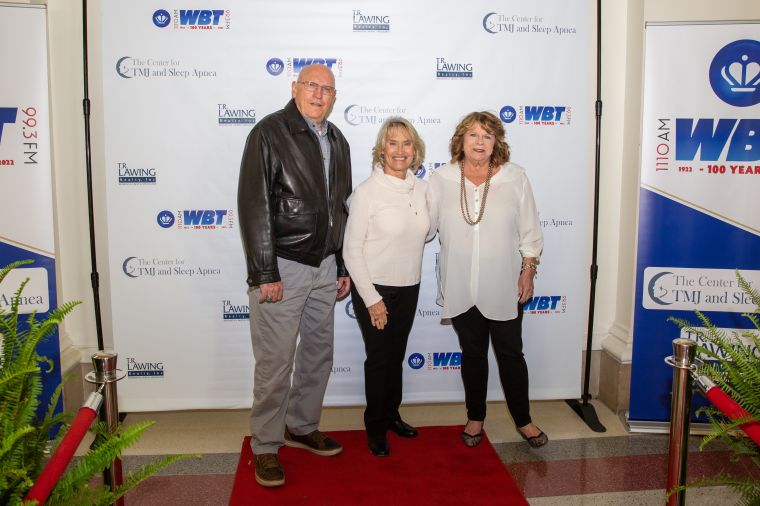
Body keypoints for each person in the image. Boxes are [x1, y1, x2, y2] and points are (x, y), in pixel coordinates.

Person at [237, 63, 352, 487]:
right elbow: (253, 204)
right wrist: (264, 270)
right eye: (311, 85)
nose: (319, 94)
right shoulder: (269, 132)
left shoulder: (338, 140)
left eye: (327, 89)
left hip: (326, 265)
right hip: (282, 265)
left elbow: (342, 208)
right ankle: (265, 445)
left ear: (334, 96)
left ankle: (301, 426)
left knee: (318, 354)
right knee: (276, 360)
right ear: (294, 88)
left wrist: (341, 264)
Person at [428, 111, 548, 449]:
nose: (480, 142)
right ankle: (475, 417)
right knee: (472, 354)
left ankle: (523, 420)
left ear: (496, 142)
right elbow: (425, 225)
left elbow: (530, 229)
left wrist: (528, 269)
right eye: (473, 135)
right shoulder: (442, 178)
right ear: (461, 140)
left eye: (487, 136)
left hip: (504, 283)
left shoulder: (515, 177)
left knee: (511, 354)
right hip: (460, 282)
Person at [343, 117, 429, 457]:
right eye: (393, 143)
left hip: (409, 285)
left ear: (416, 150)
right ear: (382, 149)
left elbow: (428, 232)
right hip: (374, 287)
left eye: (406, 143)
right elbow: (351, 250)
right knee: (379, 360)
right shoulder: (367, 192)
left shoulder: (422, 189)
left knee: (396, 357)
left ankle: (392, 415)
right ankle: (375, 427)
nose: (400, 150)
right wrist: (372, 299)